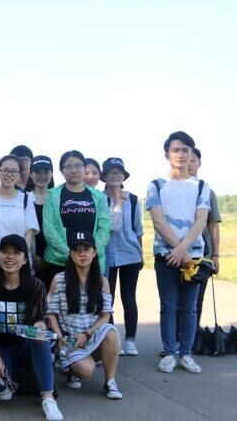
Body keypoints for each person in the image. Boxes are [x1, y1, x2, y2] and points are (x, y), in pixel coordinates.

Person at [0, 234, 63, 421]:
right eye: (5, 252)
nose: (10, 257)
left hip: (26, 344)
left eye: (16, 253)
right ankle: (11, 377)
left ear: (24, 259)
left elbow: (44, 317)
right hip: (1, 347)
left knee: (40, 336)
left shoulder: (36, 285)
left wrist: (41, 324)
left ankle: (48, 398)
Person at [147, 131, 210, 374]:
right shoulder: (156, 185)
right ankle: (170, 352)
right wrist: (177, 249)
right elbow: (158, 221)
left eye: (185, 150)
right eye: (176, 150)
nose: (181, 154)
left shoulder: (201, 186)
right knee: (169, 306)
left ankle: (186, 353)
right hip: (166, 256)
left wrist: (183, 250)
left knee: (189, 308)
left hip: (192, 257)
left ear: (192, 154)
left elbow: (201, 220)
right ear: (167, 154)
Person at [47, 231, 123, 400]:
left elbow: (105, 315)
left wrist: (87, 334)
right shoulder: (59, 280)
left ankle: (110, 382)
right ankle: (73, 369)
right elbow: (50, 314)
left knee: (111, 332)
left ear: (94, 253)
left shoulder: (102, 281)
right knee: (86, 370)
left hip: (91, 336)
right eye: (77, 250)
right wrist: (60, 338)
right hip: (69, 340)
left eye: (86, 249)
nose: (82, 254)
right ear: (71, 254)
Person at [42, 150, 110, 287]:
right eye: (68, 166)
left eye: (78, 165)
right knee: (59, 299)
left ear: (84, 168)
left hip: (91, 263)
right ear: (62, 171)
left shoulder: (99, 197)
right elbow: (49, 228)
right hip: (59, 262)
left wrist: (90, 253)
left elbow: (105, 227)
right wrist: (70, 254)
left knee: (91, 299)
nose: (73, 170)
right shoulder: (52, 196)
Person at [102, 157, 143, 356]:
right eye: (111, 172)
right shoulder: (99, 198)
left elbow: (138, 229)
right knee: (107, 299)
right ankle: (113, 340)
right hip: (108, 255)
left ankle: (130, 340)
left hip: (130, 254)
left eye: (118, 172)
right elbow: (109, 226)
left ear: (124, 176)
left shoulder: (132, 199)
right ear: (104, 176)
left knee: (129, 297)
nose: (115, 175)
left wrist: (141, 254)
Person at [188, 147, 221, 329]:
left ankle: (192, 337)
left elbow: (213, 225)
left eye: (193, 160)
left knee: (197, 300)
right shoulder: (169, 190)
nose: (189, 163)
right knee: (174, 302)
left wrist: (215, 255)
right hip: (177, 253)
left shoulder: (207, 192)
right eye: (186, 159)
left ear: (199, 163)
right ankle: (174, 339)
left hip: (202, 255)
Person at [0, 154, 39, 256]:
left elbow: (30, 232)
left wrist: (20, 257)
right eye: (5, 170)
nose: (9, 174)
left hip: (21, 262)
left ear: (19, 174)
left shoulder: (27, 199)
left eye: (14, 171)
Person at [30, 155, 55, 277]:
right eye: (37, 172)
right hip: (31, 257)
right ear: (31, 174)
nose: (42, 176)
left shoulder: (57, 198)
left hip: (55, 257)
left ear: (52, 174)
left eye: (46, 172)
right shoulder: (25, 199)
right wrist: (32, 256)